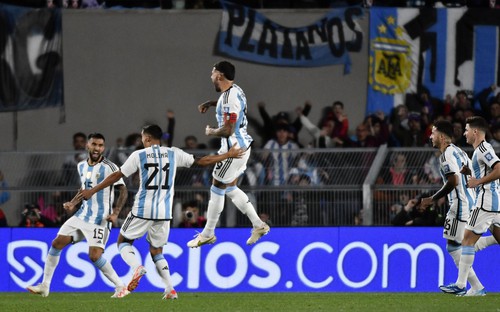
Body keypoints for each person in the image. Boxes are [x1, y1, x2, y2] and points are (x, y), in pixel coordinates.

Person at [79, 124, 245, 300]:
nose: (142, 141)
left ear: (148, 138)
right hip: (164, 212)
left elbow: (117, 175)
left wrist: (93, 189)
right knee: (157, 250)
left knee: (123, 242)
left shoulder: (139, 155)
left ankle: (137, 267)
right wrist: (227, 155)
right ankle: (170, 289)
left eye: (143, 137)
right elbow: (201, 161)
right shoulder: (173, 153)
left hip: (143, 209)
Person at [27, 133, 130, 299]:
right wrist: (73, 202)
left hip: (100, 219)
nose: (97, 148)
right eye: (94, 144)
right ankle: (45, 286)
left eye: (100, 145)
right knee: (57, 242)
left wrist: (116, 213)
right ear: (87, 146)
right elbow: (84, 189)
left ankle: (120, 286)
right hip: (82, 216)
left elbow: (123, 190)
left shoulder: (110, 167)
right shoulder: (81, 165)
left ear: (103, 148)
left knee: (95, 256)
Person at [188, 60, 270, 248]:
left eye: (212, 72)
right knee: (231, 188)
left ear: (219, 75)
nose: (210, 76)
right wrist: (210, 103)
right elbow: (229, 106)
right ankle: (258, 225)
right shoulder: (236, 91)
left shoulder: (228, 98)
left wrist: (211, 131)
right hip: (243, 147)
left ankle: (208, 233)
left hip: (233, 149)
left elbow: (228, 130)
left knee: (217, 187)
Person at [420, 120, 486, 296]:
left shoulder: (446, 155)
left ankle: (470, 286)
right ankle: (477, 288)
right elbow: (474, 173)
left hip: (460, 205)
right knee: (464, 243)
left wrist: (431, 199)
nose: (430, 136)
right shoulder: (460, 152)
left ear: (441, 137)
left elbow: (453, 181)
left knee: (455, 246)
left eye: (433, 133)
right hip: (470, 202)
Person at [440, 116, 500, 296]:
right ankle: (474, 288)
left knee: (465, 241)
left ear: (475, 132)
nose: (464, 133)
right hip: (496, 203)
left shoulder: (483, 149)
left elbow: (498, 168)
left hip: (485, 203)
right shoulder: (479, 151)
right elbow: (487, 170)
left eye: (466, 130)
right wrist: (470, 172)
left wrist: (478, 181)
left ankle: (461, 284)